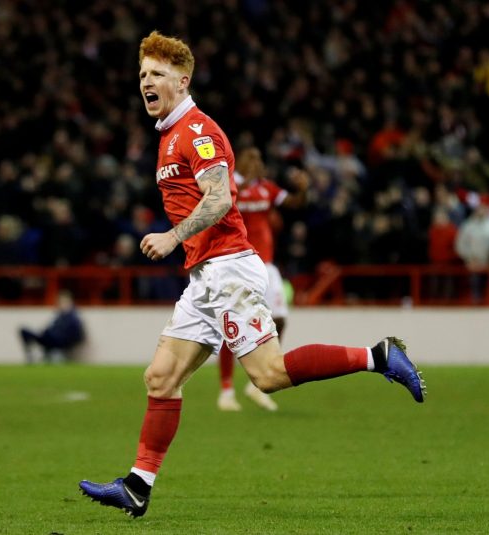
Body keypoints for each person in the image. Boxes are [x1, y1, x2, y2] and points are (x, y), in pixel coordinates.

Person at [79, 31, 426, 519]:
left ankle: (378, 356)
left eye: (157, 74)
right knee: (161, 377)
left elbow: (220, 198)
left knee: (268, 375)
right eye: (142, 75)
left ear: (182, 81)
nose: (146, 82)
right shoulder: (168, 135)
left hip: (229, 268)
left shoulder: (198, 132)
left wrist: (173, 237)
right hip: (205, 276)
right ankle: (138, 486)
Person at [217, 147, 309, 412]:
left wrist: (302, 189)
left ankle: (259, 379)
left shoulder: (266, 188)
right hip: (238, 264)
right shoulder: (230, 187)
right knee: (231, 327)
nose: (257, 163)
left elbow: (293, 203)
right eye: (251, 158)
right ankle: (226, 391)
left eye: (260, 158)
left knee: (279, 319)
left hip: (266, 266)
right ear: (240, 162)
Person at [19, 290, 84, 363]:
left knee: (48, 334)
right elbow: (50, 328)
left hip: (61, 341)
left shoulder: (73, 316)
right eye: (60, 302)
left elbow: (76, 334)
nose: (61, 304)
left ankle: (49, 354)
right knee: (24, 331)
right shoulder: (59, 316)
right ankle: (31, 356)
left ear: (70, 302)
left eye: (64, 301)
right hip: (51, 338)